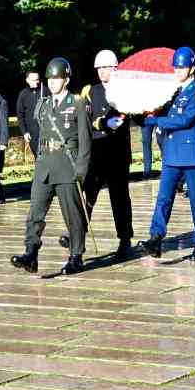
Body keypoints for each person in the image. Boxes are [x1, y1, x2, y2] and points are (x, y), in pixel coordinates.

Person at [11, 57, 90, 275]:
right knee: (35, 211)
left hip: (67, 164)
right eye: (50, 78)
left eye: (57, 78)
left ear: (66, 79)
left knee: (72, 214)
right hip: (45, 164)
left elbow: (85, 139)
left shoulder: (77, 103)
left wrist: (81, 169)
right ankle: (31, 252)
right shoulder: (43, 105)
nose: (53, 82)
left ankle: (76, 256)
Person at [143, 47, 195, 260]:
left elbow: (184, 120)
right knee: (163, 197)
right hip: (173, 152)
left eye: (182, 67)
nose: (178, 71)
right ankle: (156, 237)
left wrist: (155, 121)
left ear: (192, 68)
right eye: (176, 67)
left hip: (191, 153)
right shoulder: (172, 92)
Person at [79, 50, 135, 258]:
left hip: (117, 151)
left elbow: (122, 117)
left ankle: (125, 238)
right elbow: (84, 119)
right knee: (87, 195)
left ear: (115, 68)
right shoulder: (90, 91)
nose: (103, 72)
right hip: (96, 151)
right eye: (100, 68)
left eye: (106, 68)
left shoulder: (124, 90)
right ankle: (78, 234)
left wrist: (109, 123)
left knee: (119, 198)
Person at [16, 69, 42, 162]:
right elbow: (20, 115)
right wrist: (24, 132)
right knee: (38, 158)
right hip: (32, 134)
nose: (37, 82)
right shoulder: (23, 94)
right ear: (27, 80)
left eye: (37, 79)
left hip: (45, 132)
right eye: (34, 80)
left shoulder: (45, 91)